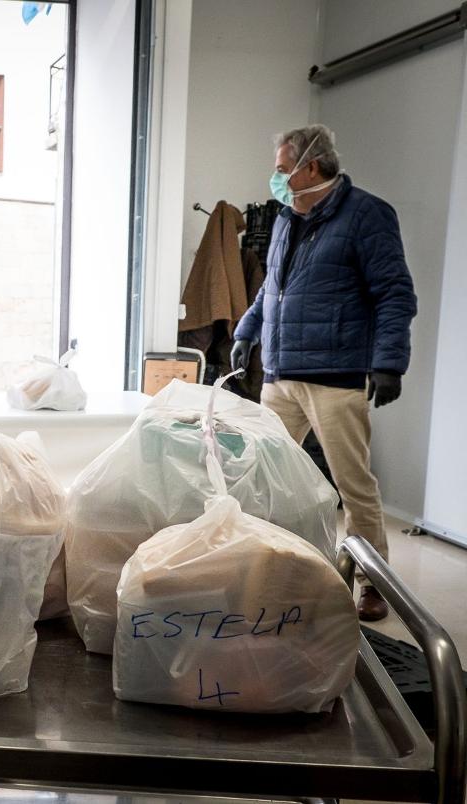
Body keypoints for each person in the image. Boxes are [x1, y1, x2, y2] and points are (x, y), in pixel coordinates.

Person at [232, 124, 417, 621]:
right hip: (280, 372)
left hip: (336, 375)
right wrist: (248, 330)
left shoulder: (367, 216)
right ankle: (265, 566)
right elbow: (271, 286)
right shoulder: (287, 218)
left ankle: (373, 584)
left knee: (353, 485)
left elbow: (393, 292)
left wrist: (388, 361)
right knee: (262, 476)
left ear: (309, 166)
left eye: (280, 169)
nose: (275, 179)